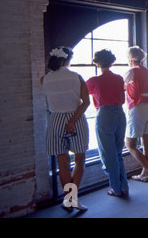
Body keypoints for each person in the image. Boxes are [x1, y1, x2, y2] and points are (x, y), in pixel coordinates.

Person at [41, 47, 90, 211]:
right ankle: (72, 199)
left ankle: (68, 199)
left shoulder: (44, 79)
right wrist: (72, 120)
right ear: (67, 60)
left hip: (54, 120)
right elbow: (86, 103)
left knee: (62, 163)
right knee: (79, 160)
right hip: (75, 119)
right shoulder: (76, 77)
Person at [86, 49, 128, 197]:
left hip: (104, 115)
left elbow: (82, 93)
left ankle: (116, 188)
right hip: (120, 113)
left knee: (107, 154)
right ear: (111, 62)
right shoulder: (118, 78)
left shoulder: (93, 81)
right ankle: (123, 186)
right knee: (118, 153)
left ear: (97, 64)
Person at [124, 46, 148, 182]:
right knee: (147, 143)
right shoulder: (147, 71)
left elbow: (122, 85)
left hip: (137, 108)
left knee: (130, 144)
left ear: (130, 58)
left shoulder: (131, 71)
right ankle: (145, 174)